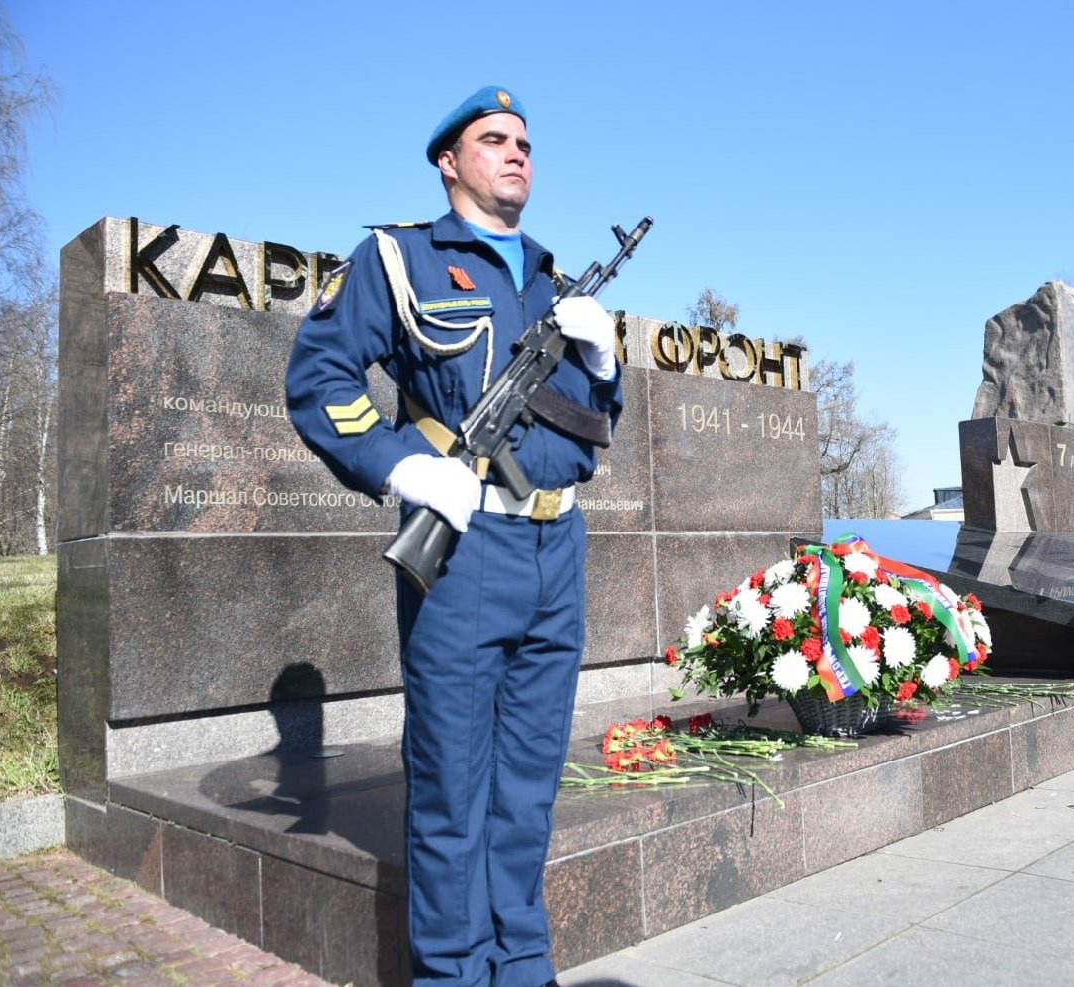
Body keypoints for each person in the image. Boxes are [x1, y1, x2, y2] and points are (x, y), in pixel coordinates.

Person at [285, 86, 621, 987]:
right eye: (494, 139)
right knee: (453, 785)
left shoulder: (550, 280)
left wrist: (603, 366)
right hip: (465, 549)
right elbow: (319, 377)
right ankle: (453, 973)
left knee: (529, 784)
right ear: (449, 160)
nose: (516, 153)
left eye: (525, 143)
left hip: (557, 547)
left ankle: (523, 964)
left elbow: (591, 431)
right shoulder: (400, 259)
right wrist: (400, 464)